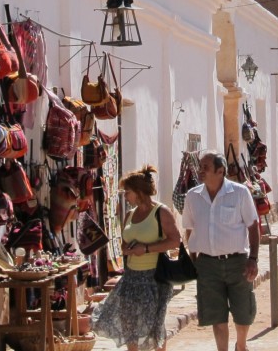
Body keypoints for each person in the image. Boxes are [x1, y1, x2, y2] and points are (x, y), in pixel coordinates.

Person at [93, 165, 181, 351]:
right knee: (128, 323)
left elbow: (175, 241)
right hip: (131, 276)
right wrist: (127, 249)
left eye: (128, 191)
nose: (125, 196)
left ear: (139, 192)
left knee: (154, 325)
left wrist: (147, 248)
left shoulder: (161, 212)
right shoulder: (130, 215)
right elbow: (125, 243)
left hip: (154, 277)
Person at [182, 150, 260, 351]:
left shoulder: (240, 193)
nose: (200, 171)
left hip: (238, 263)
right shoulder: (192, 197)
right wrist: (193, 262)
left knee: (243, 310)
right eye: (200, 166)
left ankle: (241, 345)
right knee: (217, 315)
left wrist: (253, 259)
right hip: (207, 264)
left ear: (220, 170)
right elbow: (189, 230)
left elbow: (253, 226)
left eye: (205, 167)